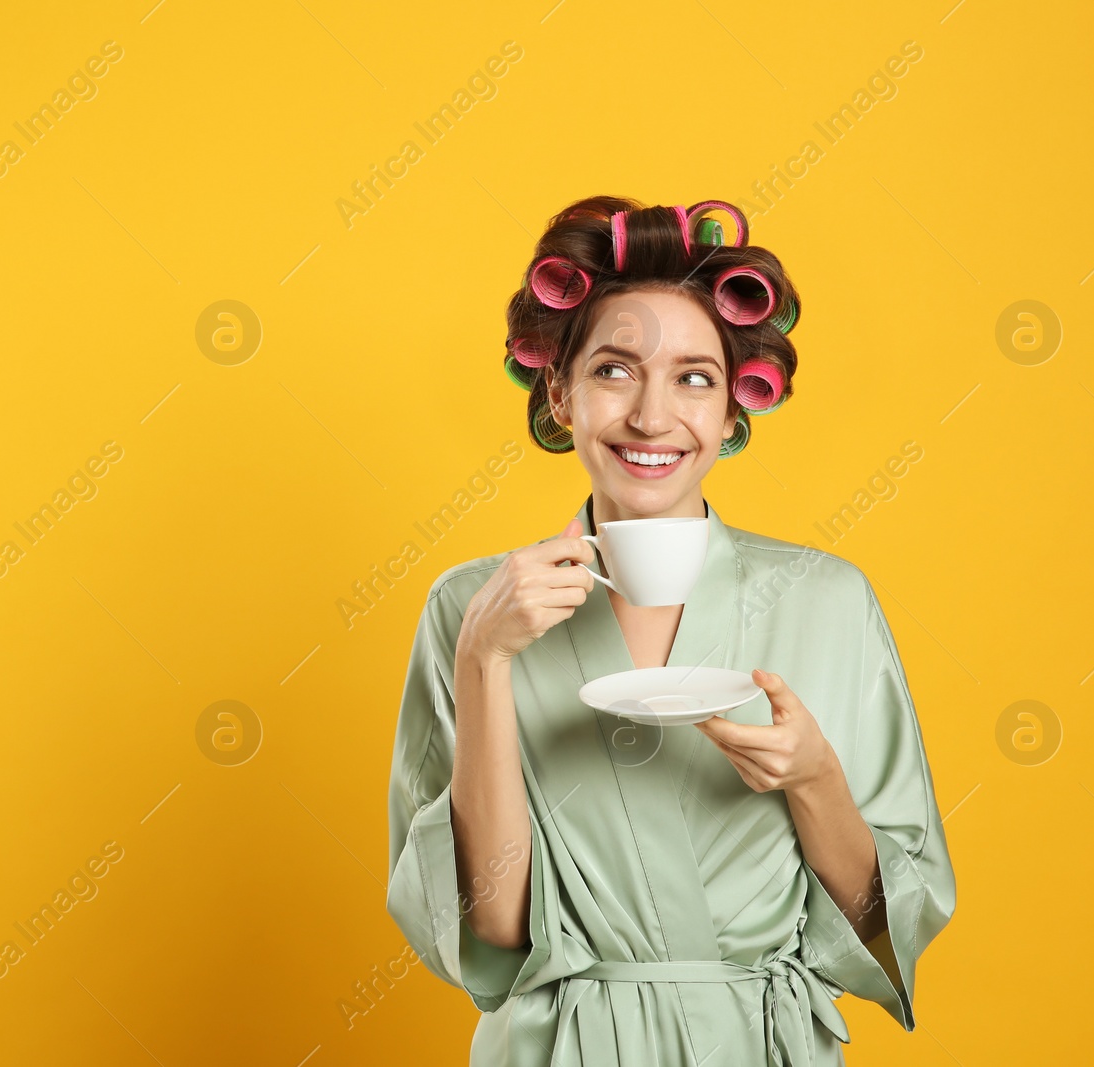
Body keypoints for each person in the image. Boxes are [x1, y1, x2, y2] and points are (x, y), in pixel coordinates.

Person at [384, 196, 956, 1065]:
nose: (653, 417)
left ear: (732, 411)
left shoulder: (827, 599)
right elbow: (491, 933)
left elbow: (887, 921)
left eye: (694, 377)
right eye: (614, 370)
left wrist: (814, 778)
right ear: (560, 392)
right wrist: (484, 661)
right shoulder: (473, 606)